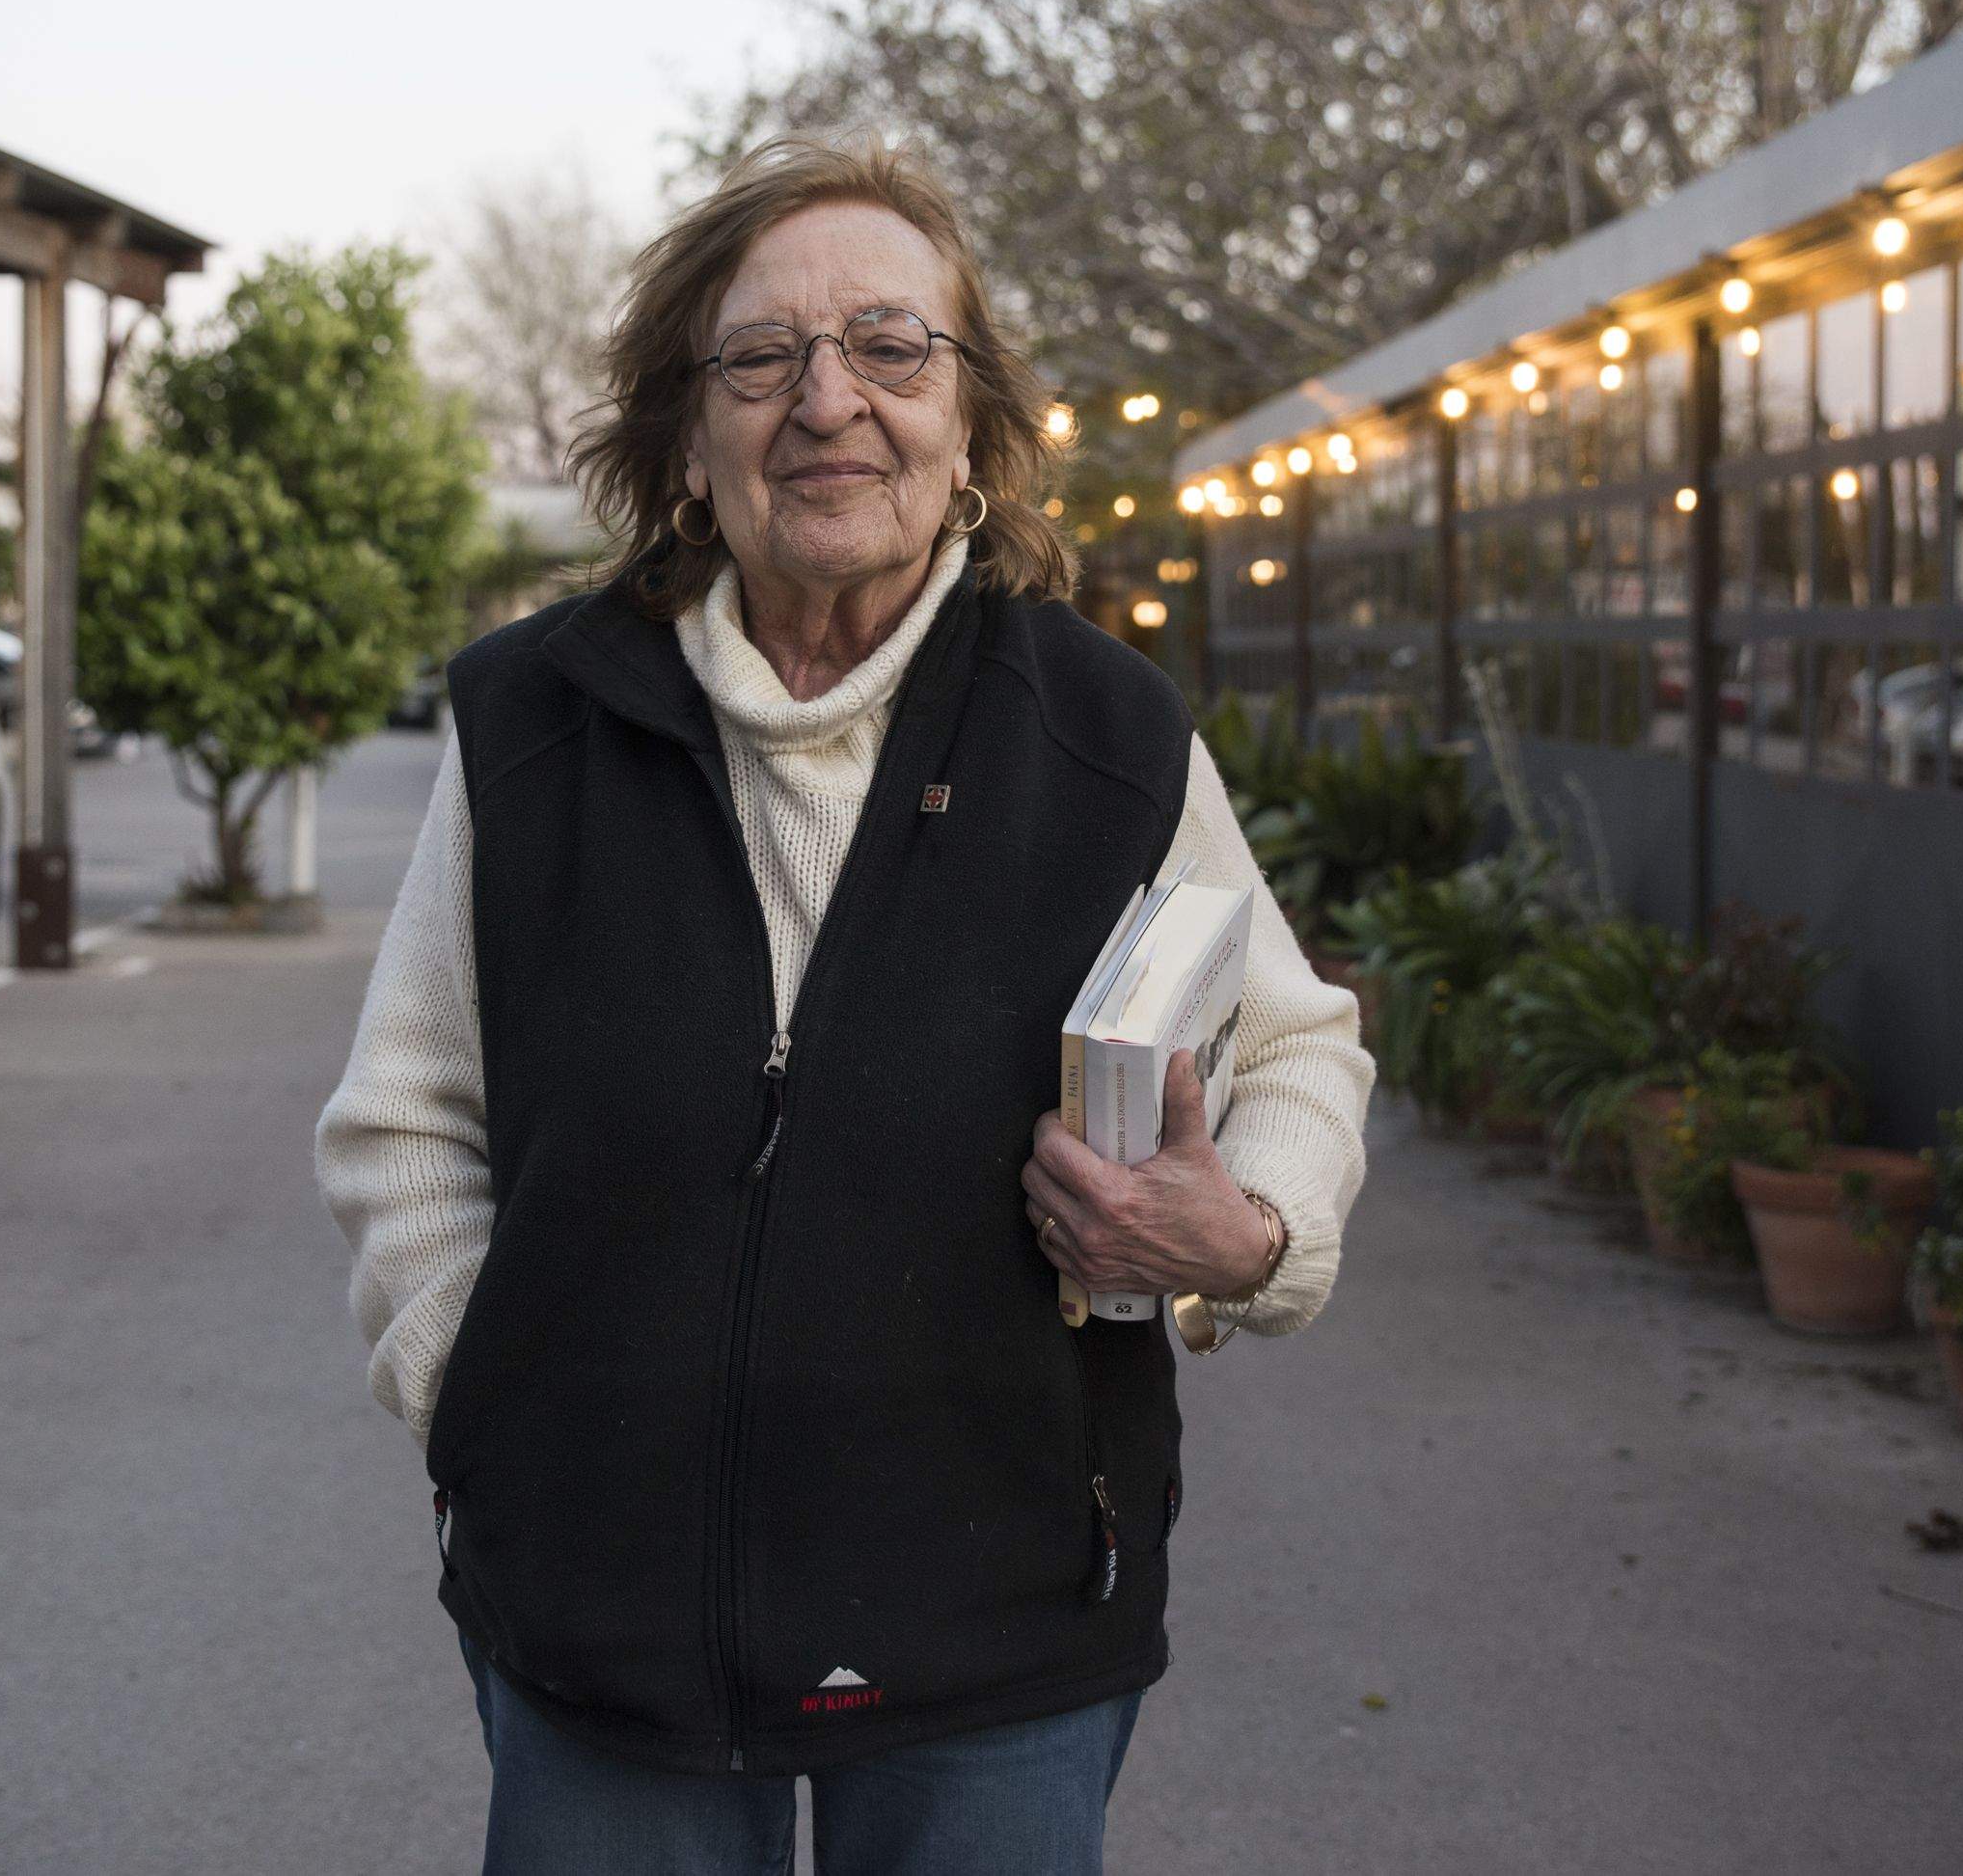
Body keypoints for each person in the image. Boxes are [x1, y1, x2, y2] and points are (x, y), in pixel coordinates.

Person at [314, 135, 1373, 1876]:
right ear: (688, 434)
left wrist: (1246, 1236)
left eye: (891, 347)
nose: (828, 401)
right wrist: (493, 1411)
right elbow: (406, 1110)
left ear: (971, 423)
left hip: (1002, 1613)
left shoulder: (1103, 733)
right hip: (603, 1621)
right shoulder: (532, 724)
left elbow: (1299, 1040)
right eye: (761, 357)